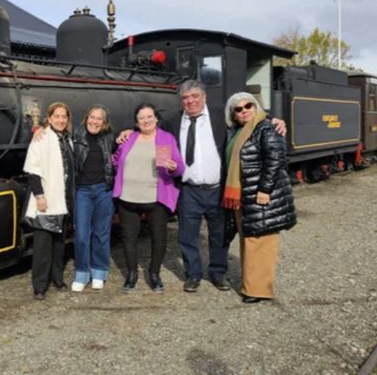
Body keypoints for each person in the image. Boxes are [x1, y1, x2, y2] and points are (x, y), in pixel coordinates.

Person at [119, 80, 285, 293]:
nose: (191, 101)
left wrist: (273, 120)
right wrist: (128, 132)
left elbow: (250, 120)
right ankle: (193, 275)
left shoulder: (220, 116)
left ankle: (217, 273)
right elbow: (149, 129)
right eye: (186, 98)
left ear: (204, 97)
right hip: (189, 190)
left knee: (219, 235)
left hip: (217, 188)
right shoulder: (173, 120)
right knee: (187, 236)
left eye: (195, 96)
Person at [222, 93, 296, 303]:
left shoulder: (267, 127)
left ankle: (258, 290)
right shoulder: (237, 132)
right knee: (250, 240)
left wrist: (264, 190)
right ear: (233, 115)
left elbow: (275, 160)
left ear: (256, 107)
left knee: (262, 243)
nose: (244, 110)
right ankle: (251, 285)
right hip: (242, 195)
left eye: (248, 105)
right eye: (238, 108)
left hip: (261, 195)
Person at [112, 103, 184, 292]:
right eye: (142, 118)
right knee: (129, 238)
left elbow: (178, 166)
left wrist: (173, 168)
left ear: (156, 119)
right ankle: (132, 274)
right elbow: (116, 161)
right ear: (137, 122)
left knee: (159, 238)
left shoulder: (165, 139)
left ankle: (154, 273)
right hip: (128, 198)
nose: (146, 120)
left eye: (149, 116)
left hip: (156, 198)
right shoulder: (130, 138)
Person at [23, 102, 75, 301]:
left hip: (62, 200)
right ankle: (40, 286)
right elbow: (32, 170)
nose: (61, 120)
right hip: (46, 198)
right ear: (50, 118)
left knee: (59, 243)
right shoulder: (42, 137)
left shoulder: (67, 139)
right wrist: (39, 196)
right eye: (57, 116)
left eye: (64, 117)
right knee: (43, 245)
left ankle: (57, 278)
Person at [70, 105, 116, 292]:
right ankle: (82, 272)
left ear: (104, 123)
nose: (94, 121)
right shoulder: (76, 137)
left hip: (103, 191)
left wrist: (132, 130)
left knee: (101, 233)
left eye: (99, 119)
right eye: (92, 117)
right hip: (83, 191)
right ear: (86, 118)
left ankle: (99, 271)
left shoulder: (109, 138)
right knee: (81, 234)